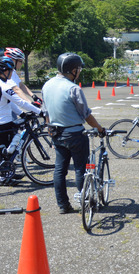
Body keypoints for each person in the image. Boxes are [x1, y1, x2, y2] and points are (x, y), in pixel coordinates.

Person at [42, 53, 105, 214]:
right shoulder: (73, 88)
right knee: (80, 169)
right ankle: (86, 202)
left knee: (59, 170)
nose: (80, 72)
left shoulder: (47, 85)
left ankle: (63, 205)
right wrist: (99, 128)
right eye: (79, 69)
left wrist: (49, 126)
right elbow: (86, 115)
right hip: (75, 134)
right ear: (73, 70)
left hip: (56, 133)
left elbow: (46, 111)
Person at [0, 57, 42, 185]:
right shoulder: (3, 86)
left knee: (5, 151)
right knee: (9, 147)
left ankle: (7, 173)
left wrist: (21, 113)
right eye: (11, 70)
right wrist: (40, 112)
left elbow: (9, 103)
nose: (12, 73)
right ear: (4, 71)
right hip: (1, 122)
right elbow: (20, 101)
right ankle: (3, 179)